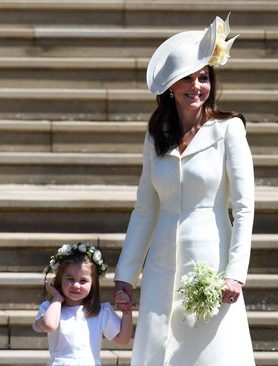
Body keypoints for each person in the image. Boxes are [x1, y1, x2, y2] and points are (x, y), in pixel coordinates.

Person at [113, 14, 256, 365]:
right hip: (161, 268)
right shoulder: (155, 135)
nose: (196, 86)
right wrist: (124, 277)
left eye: (203, 77)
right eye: (187, 79)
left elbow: (244, 207)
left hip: (212, 266)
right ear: (171, 86)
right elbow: (145, 209)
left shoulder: (229, 130)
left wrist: (235, 273)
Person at [33, 243, 133, 366]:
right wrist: (57, 299)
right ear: (60, 279)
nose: (76, 285)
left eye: (83, 280)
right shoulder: (50, 308)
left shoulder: (100, 311)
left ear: (93, 284)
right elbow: (49, 326)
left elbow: (123, 339)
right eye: (70, 279)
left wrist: (127, 312)